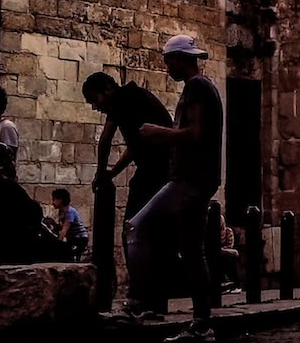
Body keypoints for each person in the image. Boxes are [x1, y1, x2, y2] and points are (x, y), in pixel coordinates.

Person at [124, 33, 223, 338]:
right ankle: (202, 325)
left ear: (179, 59)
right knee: (193, 253)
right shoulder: (203, 88)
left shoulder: (196, 87)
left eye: (168, 61)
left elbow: (194, 133)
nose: (167, 67)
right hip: (198, 179)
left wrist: (160, 132)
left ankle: (137, 303)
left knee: (136, 227)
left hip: (190, 180)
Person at [83, 71, 175, 231]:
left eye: (95, 99)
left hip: (159, 169)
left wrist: (101, 174)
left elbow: (105, 140)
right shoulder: (131, 99)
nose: (95, 107)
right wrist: (111, 173)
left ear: (107, 89)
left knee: (134, 226)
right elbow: (135, 148)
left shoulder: (123, 98)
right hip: (162, 169)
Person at [50, 188, 87, 259]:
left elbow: (64, 230)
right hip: (72, 238)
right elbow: (62, 227)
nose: (52, 202)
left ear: (60, 200)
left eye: (54, 199)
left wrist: (57, 243)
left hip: (79, 239)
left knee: (70, 255)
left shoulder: (69, 212)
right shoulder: (62, 211)